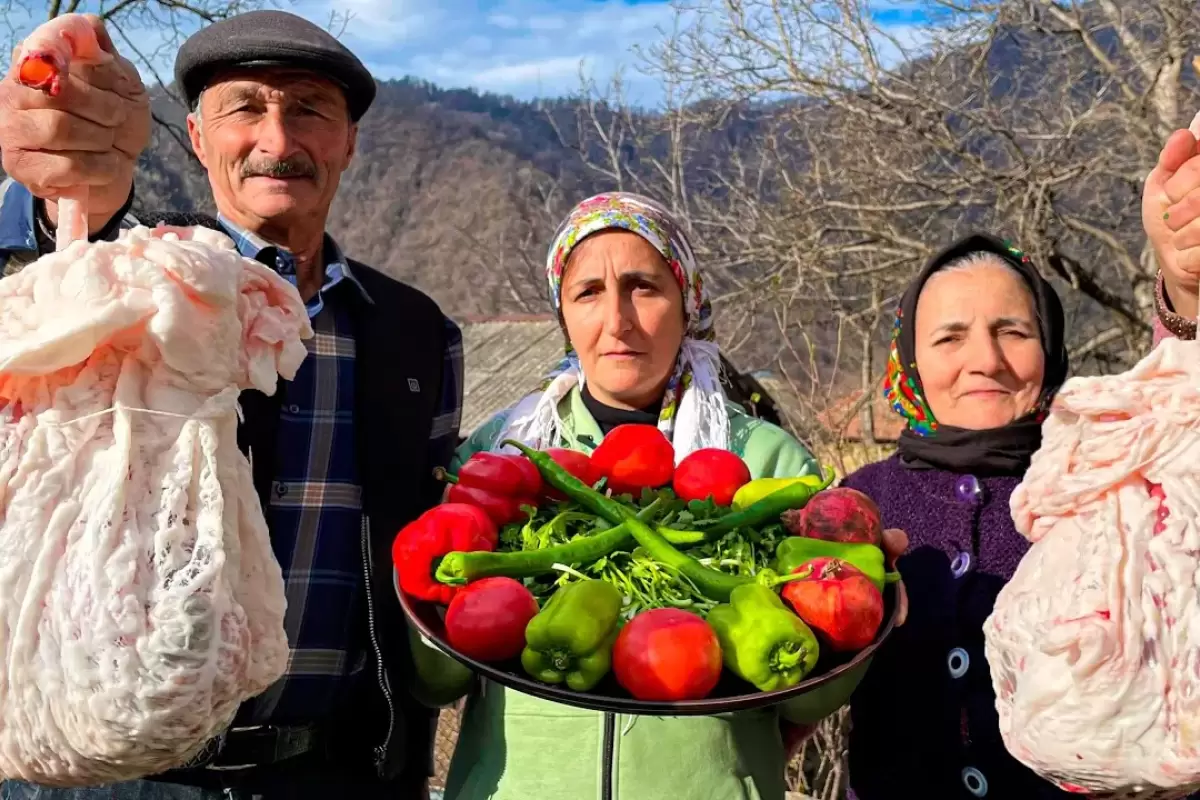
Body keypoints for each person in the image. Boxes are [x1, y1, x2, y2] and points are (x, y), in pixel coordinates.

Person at [0, 10, 462, 800]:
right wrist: (63, 190)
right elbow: (53, 272)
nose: (278, 141)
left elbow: (421, 547)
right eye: (245, 107)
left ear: (349, 141)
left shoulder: (417, 334)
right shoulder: (149, 282)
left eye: (310, 109)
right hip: (126, 773)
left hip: (334, 772)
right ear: (196, 134)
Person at [439, 191, 905, 800]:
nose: (617, 321)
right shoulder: (500, 453)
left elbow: (807, 698)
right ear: (564, 316)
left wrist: (865, 616)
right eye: (588, 294)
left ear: (687, 304)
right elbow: (439, 679)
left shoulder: (769, 461)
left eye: (643, 287)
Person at [837, 233, 1076, 799]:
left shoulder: (1099, 488)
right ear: (911, 361)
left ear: (1050, 344)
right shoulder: (860, 503)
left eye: (1012, 332)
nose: (985, 361)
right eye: (950, 338)